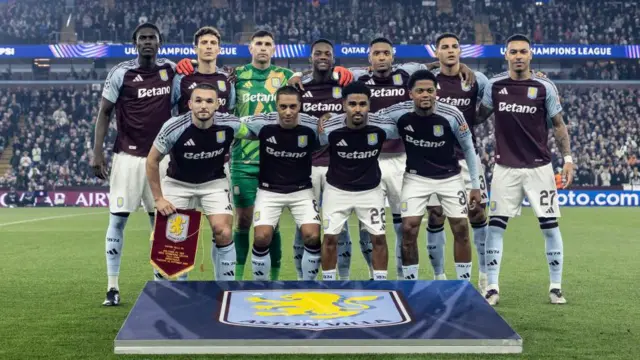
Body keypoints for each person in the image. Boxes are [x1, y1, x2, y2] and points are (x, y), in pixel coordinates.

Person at [476, 34, 573, 305]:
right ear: (505, 55)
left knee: (550, 226)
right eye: (513, 52)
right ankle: (492, 287)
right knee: (495, 227)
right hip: (504, 167)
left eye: (523, 51)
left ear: (530, 55)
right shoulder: (494, 85)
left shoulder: (544, 86)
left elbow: (558, 124)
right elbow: (478, 116)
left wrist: (567, 158)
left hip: (539, 168)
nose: (518, 56)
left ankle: (555, 286)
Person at [92, 23, 176, 306]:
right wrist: (97, 153)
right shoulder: (121, 72)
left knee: (161, 223)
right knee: (117, 220)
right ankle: (112, 287)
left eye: (152, 38)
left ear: (160, 42)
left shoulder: (171, 70)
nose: (148, 42)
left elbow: (187, 100)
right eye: (143, 38)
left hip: (160, 160)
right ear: (135, 43)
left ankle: (160, 282)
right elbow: (104, 112)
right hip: (126, 158)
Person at [375, 69, 481, 281]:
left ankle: (463, 285)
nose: (426, 95)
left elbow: (469, 148)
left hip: (450, 178)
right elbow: (368, 119)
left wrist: (476, 186)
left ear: (436, 92)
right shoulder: (398, 112)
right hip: (415, 178)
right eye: (420, 91)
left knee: (461, 228)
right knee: (408, 229)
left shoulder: (452, 115)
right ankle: (411, 284)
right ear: (410, 94)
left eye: (430, 90)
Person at [147, 83, 242, 281]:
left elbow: (259, 128)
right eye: (198, 101)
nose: (203, 106)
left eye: (209, 101)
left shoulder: (231, 124)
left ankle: (225, 289)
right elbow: (152, 160)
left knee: (223, 231)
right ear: (190, 104)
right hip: (178, 184)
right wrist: (158, 199)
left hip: (214, 183)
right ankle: (162, 291)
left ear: (217, 104)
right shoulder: (173, 127)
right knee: (171, 240)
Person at [427, 33, 490, 292]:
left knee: (476, 212)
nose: (451, 51)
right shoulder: (427, 79)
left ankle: (486, 275)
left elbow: (491, 101)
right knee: (435, 215)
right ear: (437, 53)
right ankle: (439, 277)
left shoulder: (477, 80)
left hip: (467, 158)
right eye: (445, 47)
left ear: (460, 51)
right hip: (433, 159)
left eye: (455, 47)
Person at [240, 86, 323, 281]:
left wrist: (327, 119)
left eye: (293, 107)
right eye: (283, 106)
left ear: (300, 106)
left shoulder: (312, 126)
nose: (288, 112)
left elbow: (333, 130)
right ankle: (260, 286)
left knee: (312, 236)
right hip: (269, 191)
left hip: (302, 190)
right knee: (261, 237)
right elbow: (234, 125)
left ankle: (307, 284)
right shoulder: (262, 124)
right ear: (276, 106)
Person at [319, 82, 400, 281]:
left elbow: (405, 126)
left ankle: (380, 282)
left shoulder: (383, 127)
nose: (357, 109)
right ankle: (329, 284)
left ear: (369, 105)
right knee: (330, 238)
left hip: (370, 191)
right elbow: (315, 139)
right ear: (344, 104)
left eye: (362, 104)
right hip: (336, 190)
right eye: (352, 104)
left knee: (379, 238)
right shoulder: (329, 127)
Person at [289, 39, 353, 280]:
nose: (323, 57)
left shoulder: (344, 85)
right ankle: (303, 279)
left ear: (334, 59)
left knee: (340, 227)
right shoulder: (299, 87)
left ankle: (344, 279)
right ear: (311, 58)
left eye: (328, 53)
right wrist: (296, 75)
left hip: (337, 167)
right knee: (303, 227)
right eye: (318, 53)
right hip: (305, 167)